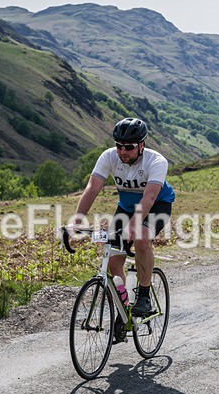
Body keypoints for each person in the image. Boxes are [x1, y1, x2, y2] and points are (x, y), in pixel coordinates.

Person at [70, 117, 175, 321]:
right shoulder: (109, 157)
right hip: (126, 208)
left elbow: (150, 197)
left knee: (141, 236)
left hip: (157, 206)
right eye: (119, 146)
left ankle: (144, 295)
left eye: (129, 147)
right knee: (113, 261)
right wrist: (76, 221)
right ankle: (123, 308)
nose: (122, 152)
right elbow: (92, 188)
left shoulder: (156, 161)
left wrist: (134, 226)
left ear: (141, 145)